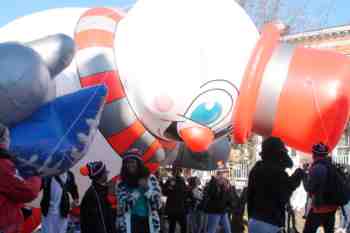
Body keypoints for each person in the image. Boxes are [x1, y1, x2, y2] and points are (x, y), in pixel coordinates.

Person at [247, 137, 304, 233]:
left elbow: (249, 197)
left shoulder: (256, 169)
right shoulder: (279, 173)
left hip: (254, 221)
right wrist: (298, 176)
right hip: (271, 223)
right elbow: (285, 195)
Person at [0, 124, 41, 233]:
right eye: (8, 137)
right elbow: (28, 191)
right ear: (2, 139)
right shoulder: (3, 165)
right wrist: (35, 176)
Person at [116, 149, 162, 233]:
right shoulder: (121, 184)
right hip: (130, 223)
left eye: (132, 162)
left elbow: (158, 204)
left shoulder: (150, 179)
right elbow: (123, 207)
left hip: (149, 223)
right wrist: (137, 192)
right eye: (127, 162)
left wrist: (147, 189)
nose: (129, 165)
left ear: (139, 163)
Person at [303, 143, 341, 233]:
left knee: (308, 231)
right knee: (329, 231)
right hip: (332, 207)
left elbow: (309, 188)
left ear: (314, 154)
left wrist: (303, 178)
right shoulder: (332, 166)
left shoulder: (316, 168)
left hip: (319, 208)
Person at [80, 161, 117, 233]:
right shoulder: (92, 194)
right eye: (105, 172)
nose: (107, 173)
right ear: (101, 175)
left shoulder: (103, 189)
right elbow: (98, 221)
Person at [163, 167, 187, 233]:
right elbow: (164, 192)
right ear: (173, 172)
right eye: (176, 171)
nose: (177, 172)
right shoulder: (170, 180)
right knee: (172, 226)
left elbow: (185, 193)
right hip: (172, 208)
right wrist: (170, 186)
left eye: (179, 171)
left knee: (184, 226)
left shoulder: (182, 181)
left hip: (180, 207)